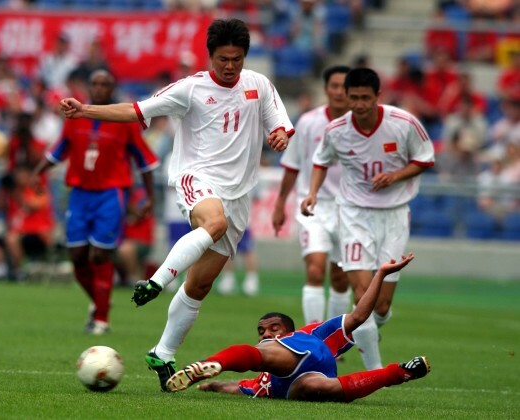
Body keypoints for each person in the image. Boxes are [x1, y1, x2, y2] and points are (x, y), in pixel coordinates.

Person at [59, 18, 294, 391]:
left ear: (245, 56)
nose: (230, 66)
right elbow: (136, 110)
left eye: (236, 58)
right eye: (222, 59)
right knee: (212, 223)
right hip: (196, 179)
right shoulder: (191, 89)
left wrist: (279, 134)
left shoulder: (259, 86)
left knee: (200, 285)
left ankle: (163, 352)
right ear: (210, 56)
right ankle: (156, 281)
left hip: (239, 194)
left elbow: (278, 124)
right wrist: (86, 110)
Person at [300, 68, 435, 370]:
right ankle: (376, 374)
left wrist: (395, 176)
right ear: (346, 97)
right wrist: (311, 193)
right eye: (354, 98)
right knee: (362, 297)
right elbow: (320, 161)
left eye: (365, 98)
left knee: (381, 307)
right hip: (353, 214)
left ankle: (368, 331)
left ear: (378, 96)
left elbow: (425, 158)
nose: (359, 104)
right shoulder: (337, 130)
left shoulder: (403, 124)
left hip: (394, 215)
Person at [165, 254, 431, 401]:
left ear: (289, 330)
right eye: (261, 331)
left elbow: (359, 315)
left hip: (303, 352)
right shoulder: (262, 383)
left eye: (273, 327)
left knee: (260, 354)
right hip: (303, 382)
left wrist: (380, 274)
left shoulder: (313, 332)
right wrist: (212, 386)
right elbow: (238, 386)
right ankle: (400, 372)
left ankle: (213, 361)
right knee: (321, 389)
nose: (266, 333)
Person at [34, 69, 159, 335]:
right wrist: (38, 171)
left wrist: (149, 197)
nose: (99, 88)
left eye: (105, 84)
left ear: (112, 89)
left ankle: (101, 319)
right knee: (77, 256)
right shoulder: (74, 119)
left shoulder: (125, 121)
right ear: (89, 87)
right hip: (79, 193)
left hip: (111, 194)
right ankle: (99, 301)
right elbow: (59, 150)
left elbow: (145, 162)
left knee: (100, 254)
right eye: (95, 83)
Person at [273, 65, 351, 325]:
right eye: (334, 86)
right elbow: (292, 165)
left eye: (344, 87)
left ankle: (334, 340)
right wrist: (280, 204)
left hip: (350, 209)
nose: (339, 92)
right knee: (316, 270)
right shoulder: (308, 122)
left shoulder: (359, 125)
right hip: (312, 205)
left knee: (341, 277)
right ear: (326, 89)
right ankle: (314, 338)